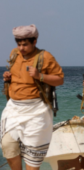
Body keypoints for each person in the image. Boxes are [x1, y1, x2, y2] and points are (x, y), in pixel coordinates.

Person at [1, 24, 64, 169]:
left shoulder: (45, 57)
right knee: (8, 146)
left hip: (37, 111)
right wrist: (8, 77)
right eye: (19, 44)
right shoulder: (14, 54)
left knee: (33, 155)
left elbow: (60, 79)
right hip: (14, 109)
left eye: (25, 45)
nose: (21, 48)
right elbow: (18, 74)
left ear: (34, 41)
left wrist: (40, 76)